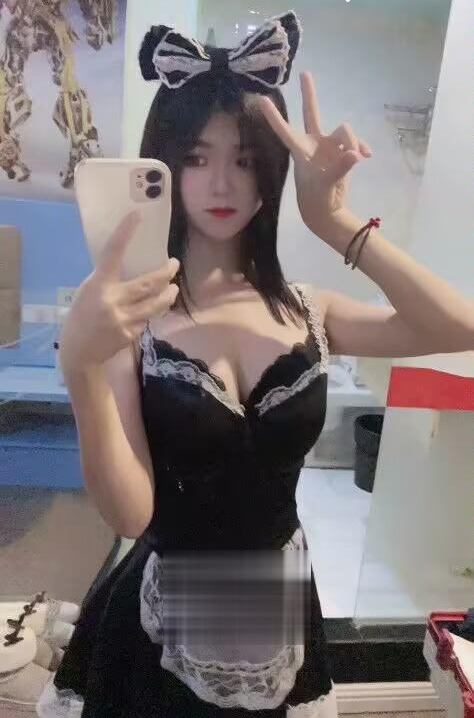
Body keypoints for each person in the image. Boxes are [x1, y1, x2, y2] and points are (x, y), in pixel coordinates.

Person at [36, 11, 474, 718]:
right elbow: (131, 512)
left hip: (276, 613)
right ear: (165, 162)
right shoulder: (132, 315)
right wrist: (84, 368)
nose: (221, 182)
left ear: (270, 168)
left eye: (244, 158)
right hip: (158, 628)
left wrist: (335, 222)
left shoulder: (308, 309)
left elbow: (459, 326)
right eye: (196, 157)